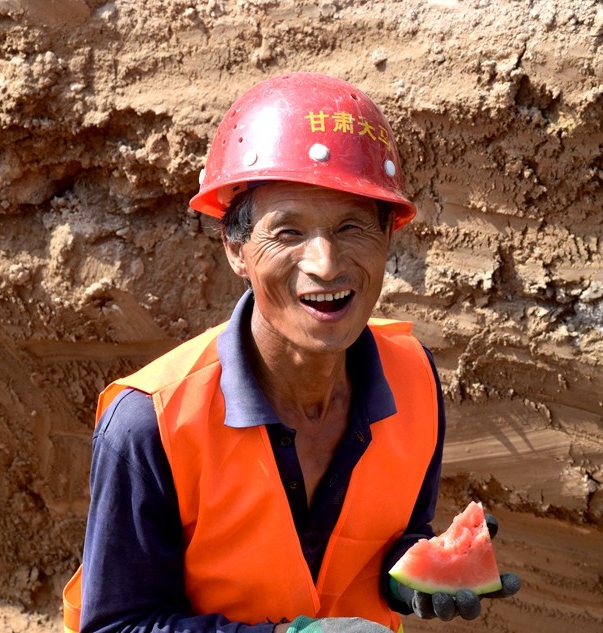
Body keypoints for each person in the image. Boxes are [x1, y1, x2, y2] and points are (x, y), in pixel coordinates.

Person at [63, 72, 519, 633]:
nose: (325, 264)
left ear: (387, 240)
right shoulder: (149, 423)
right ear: (236, 248)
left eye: (352, 227)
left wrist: (409, 580)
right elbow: (116, 627)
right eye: (288, 233)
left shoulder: (415, 377)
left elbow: (393, 537)